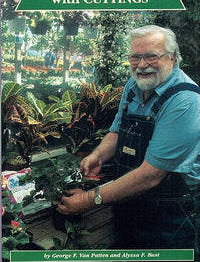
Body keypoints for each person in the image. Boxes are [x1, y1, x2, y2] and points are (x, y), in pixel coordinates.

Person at [57, 25, 200, 257]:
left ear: (173, 57)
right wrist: (97, 155)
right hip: (129, 205)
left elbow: (151, 176)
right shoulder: (134, 86)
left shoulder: (185, 101)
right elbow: (117, 130)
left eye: (151, 56)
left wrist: (87, 200)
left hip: (171, 217)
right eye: (135, 57)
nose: (142, 65)